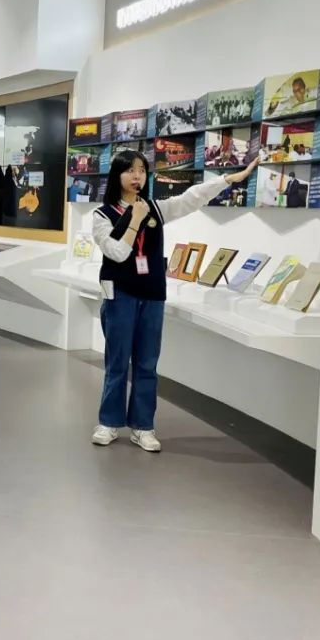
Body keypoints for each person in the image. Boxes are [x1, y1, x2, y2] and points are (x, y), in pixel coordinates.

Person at [90, 151, 258, 452]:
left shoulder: (156, 208)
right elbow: (118, 253)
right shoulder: (102, 216)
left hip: (152, 294)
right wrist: (135, 220)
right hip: (120, 295)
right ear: (117, 175)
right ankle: (108, 422)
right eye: (130, 170)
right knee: (117, 362)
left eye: (142, 170)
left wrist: (227, 179)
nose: (137, 176)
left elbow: (191, 198)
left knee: (147, 363)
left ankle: (143, 426)